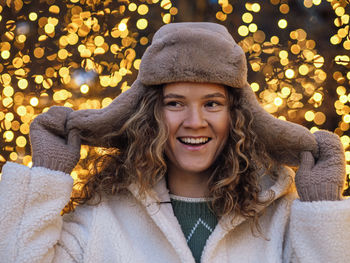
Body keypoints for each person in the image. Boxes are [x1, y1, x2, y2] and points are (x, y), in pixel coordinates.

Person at [1, 22, 350, 263]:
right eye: (175, 103)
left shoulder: (279, 218)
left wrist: (322, 208)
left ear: (236, 116)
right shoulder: (102, 216)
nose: (195, 121)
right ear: (150, 114)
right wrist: (45, 175)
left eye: (212, 103)